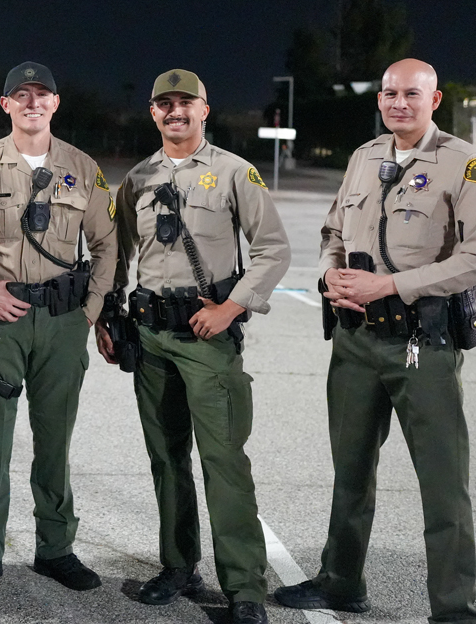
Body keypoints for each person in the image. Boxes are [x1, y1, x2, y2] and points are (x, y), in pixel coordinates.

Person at [273, 58, 476, 624]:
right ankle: (342, 581)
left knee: (443, 487)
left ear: (435, 100)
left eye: (411, 95)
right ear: (380, 100)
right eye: (390, 94)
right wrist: (330, 276)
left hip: (422, 344)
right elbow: (332, 232)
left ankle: (453, 610)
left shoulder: (463, 164)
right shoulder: (364, 157)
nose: (399, 103)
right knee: (350, 474)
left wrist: (389, 284)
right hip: (354, 342)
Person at [96, 69, 290, 624]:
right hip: (151, 338)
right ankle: (179, 565)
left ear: (205, 109)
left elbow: (273, 249)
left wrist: (231, 308)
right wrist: (108, 316)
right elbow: (117, 256)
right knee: (166, 459)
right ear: (153, 113)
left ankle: (245, 587)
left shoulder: (234, 172)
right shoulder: (136, 179)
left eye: (186, 103)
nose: (175, 112)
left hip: (208, 339)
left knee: (224, 461)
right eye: (164, 104)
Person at [0, 61, 117, 594]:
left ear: (56, 103)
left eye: (43, 94)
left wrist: (91, 310)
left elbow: (107, 244)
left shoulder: (83, 167)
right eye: (21, 95)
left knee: (54, 441)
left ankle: (56, 549)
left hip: (62, 322)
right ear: (5, 104)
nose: (33, 102)